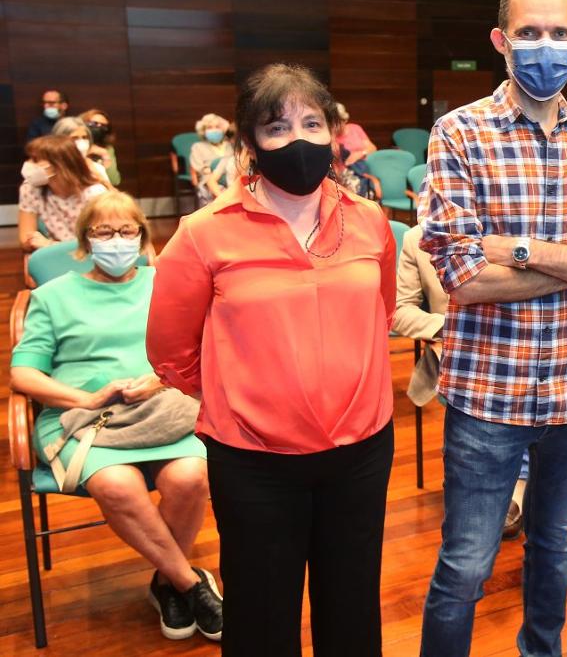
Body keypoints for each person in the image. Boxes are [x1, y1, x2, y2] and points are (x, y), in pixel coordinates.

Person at [418, 0, 567, 657]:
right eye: (528, 33)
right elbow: (463, 278)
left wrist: (520, 250)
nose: (543, 47)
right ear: (500, 39)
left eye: (556, 33)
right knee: (465, 566)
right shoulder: (458, 134)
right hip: (488, 392)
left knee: (553, 549)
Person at [147, 63, 397, 657]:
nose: (299, 141)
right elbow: (171, 352)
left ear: (336, 133)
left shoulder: (370, 221)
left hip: (360, 452)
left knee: (352, 605)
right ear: (248, 142)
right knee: (262, 615)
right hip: (253, 460)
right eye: (277, 127)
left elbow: (380, 315)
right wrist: (247, 396)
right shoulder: (204, 233)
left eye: (313, 123)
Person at [11, 191, 223, 641]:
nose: (116, 241)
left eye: (127, 231)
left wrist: (162, 379)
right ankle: (189, 584)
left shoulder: (165, 281)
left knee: (191, 478)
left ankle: (167, 582)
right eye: (103, 232)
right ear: (85, 240)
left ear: (143, 237)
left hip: (164, 411)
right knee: (114, 483)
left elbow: (201, 348)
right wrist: (84, 399)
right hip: (87, 419)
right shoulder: (52, 296)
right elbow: (22, 373)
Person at [393, 226, 567, 590]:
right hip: (468, 363)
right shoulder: (415, 239)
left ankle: (541, 524)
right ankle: (514, 515)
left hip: (542, 358)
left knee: (551, 402)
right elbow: (400, 312)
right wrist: (454, 326)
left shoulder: (522, 222)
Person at [18, 134, 110, 251]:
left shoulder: (95, 194)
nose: (29, 165)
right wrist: (32, 242)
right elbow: (25, 239)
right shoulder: (30, 189)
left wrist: (49, 245)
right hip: (55, 257)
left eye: (35, 160)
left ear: (59, 165)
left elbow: (102, 242)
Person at [188, 113, 237, 207]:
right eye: (210, 127)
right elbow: (200, 168)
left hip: (233, 178)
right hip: (208, 180)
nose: (214, 130)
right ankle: (225, 202)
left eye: (217, 127)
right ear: (203, 131)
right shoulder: (198, 147)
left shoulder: (231, 144)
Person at [52, 116, 113, 184]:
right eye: (74, 138)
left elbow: (111, 191)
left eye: (84, 138)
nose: (81, 142)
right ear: (60, 140)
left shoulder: (97, 168)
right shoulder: (49, 169)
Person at [334, 102, 377, 167]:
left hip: (368, 164)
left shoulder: (355, 128)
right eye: (331, 122)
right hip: (350, 169)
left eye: (338, 122)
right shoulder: (330, 137)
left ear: (345, 120)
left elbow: (372, 148)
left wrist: (361, 153)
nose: (335, 125)